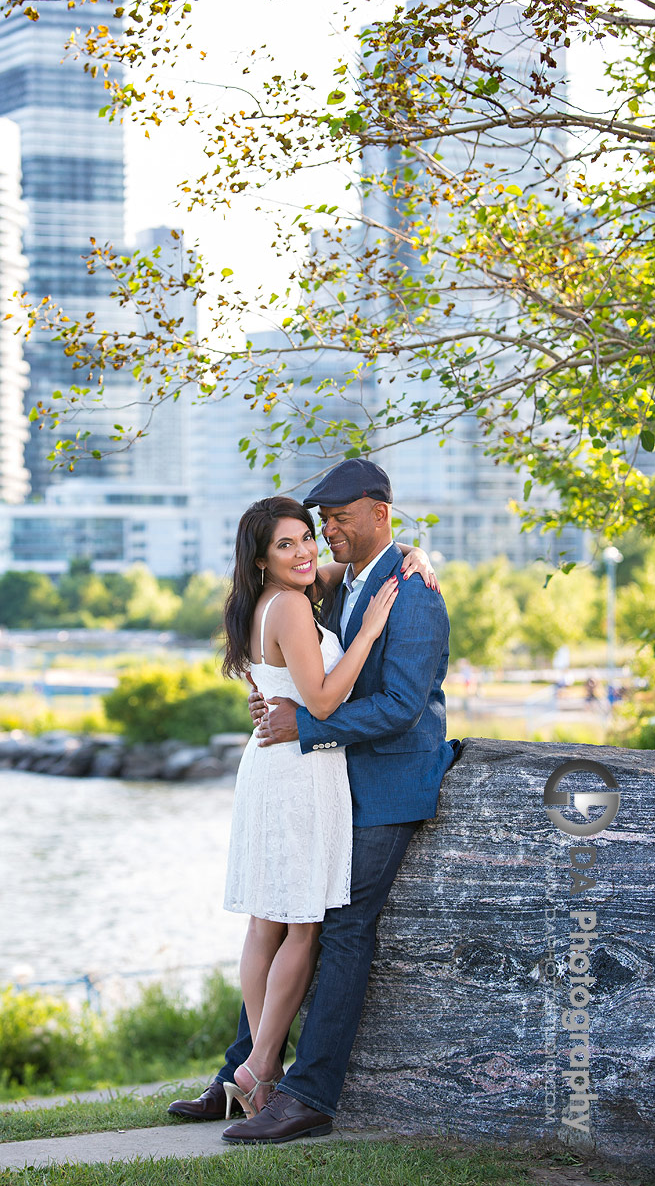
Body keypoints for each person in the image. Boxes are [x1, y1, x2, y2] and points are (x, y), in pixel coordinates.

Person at [168, 458, 458, 1142]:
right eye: (318, 522)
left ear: (381, 515)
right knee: (284, 912)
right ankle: (245, 1069)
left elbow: (401, 704)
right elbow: (289, 615)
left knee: (341, 929)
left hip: (388, 783)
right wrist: (287, 701)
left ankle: (308, 1095)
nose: (325, 533)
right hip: (327, 777)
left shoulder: (410, 591)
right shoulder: (338, 580)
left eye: (338, 520)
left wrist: (307, 721)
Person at [216, 495, 433, 1121]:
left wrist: (413, 554)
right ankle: (261, 1068)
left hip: (269, 767)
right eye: (286, 545)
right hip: (300, 771)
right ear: (261, 560)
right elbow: (324, 700)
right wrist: (366, 634)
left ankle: (254, 1067)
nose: (307, 550)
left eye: (308, 537)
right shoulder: (288, 605)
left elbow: (357, 569)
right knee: (304, 923)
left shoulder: (270, 598)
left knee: (266, 920)